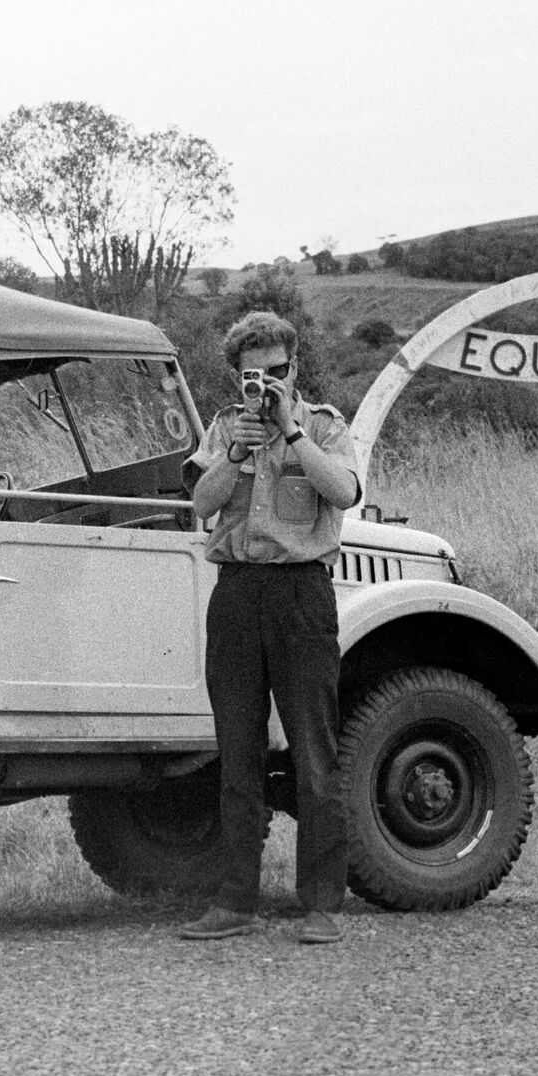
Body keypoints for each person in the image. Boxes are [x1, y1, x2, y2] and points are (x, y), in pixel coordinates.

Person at [179, 311, 361, 945]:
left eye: (278, 371)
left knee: (315, 753)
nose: (268, 383)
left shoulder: (326, 426)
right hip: (236, 595)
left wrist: (291, 434)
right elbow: (200, 505)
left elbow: (343, 492)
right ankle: (235, 901)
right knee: (237, 753)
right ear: (238, 374)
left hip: (301, 594)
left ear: (295, 368)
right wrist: (237, 451)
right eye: (255, 373)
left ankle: (322, 905)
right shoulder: (225, 427)